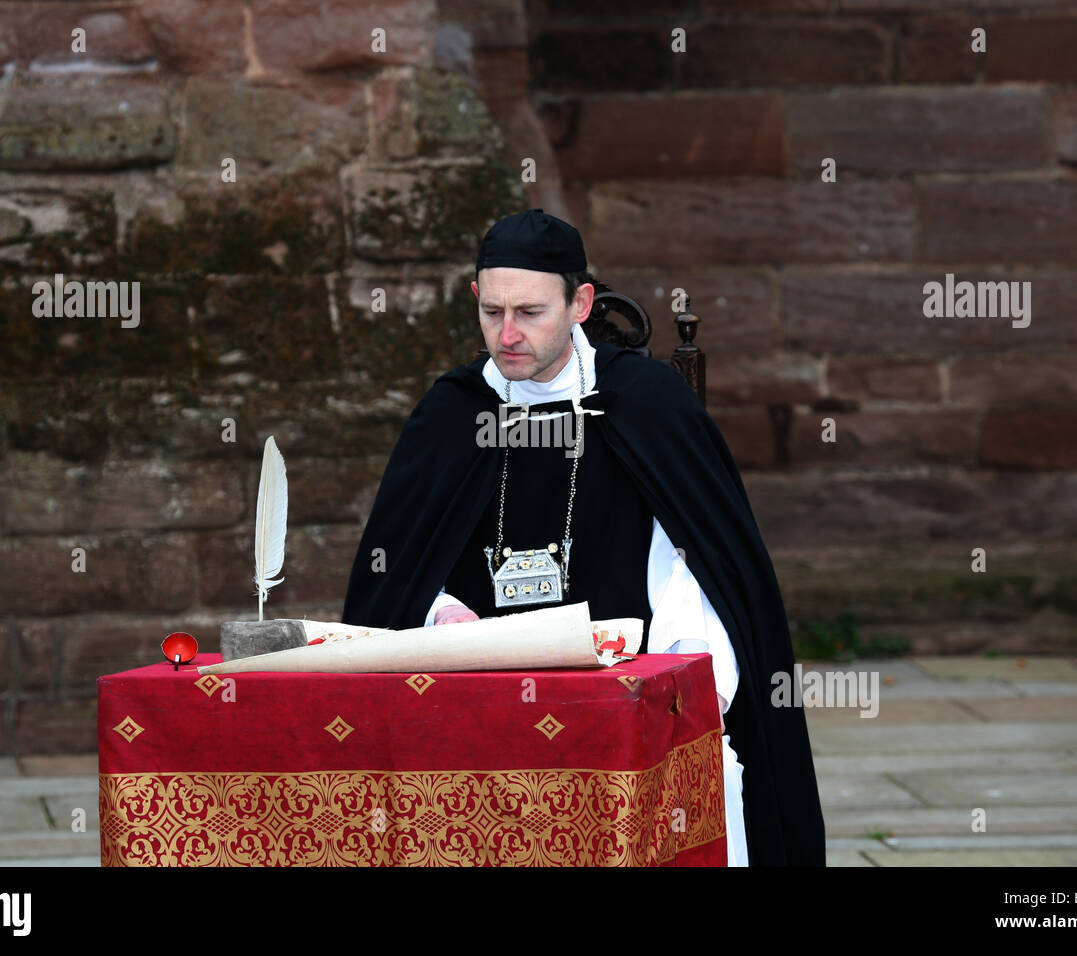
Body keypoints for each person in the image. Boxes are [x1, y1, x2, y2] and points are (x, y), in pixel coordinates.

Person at [342, 209, 825, 866]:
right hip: (471, 703)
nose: (507, 335)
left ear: (580, 304)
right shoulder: (453, 414)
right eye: (492, 313)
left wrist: (678, 687)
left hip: (626, 700)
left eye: (531, 313)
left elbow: (696, 570)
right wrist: (433, 612)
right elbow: (396, 573)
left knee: (711, 773)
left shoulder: (644, 403)